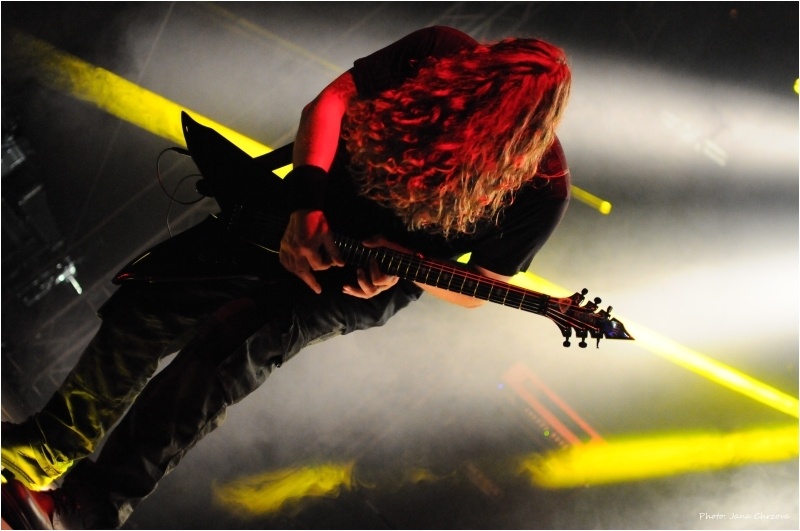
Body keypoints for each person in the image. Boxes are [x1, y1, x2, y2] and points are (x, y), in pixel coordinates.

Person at [1, 25, 572, 529]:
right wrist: (306, 207)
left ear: (520, 140)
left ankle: (87, 509)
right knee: (147, 308)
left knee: (223, 353)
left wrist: (406, 264)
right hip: (296, 210)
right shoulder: (438, 51)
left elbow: (480, 288)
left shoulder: (543, 191)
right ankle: (42, 451)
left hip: (350, 285)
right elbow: (329, 105)